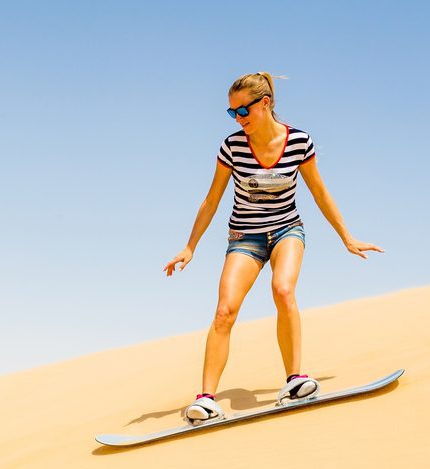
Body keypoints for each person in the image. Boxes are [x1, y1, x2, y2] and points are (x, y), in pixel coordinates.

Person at [163, 72, 384, 424]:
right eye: (232, 113)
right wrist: (190, 246)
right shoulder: (232, 147)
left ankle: (295, 379)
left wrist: (347, 236)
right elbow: (211, 200)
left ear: (265, 104)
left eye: (243, 111)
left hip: (286, 231)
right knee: (224, 311)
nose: (238, 119)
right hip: (244, 238)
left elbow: (320, 193)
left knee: (283, 290)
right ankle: (205, 400)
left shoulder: (298, 142)